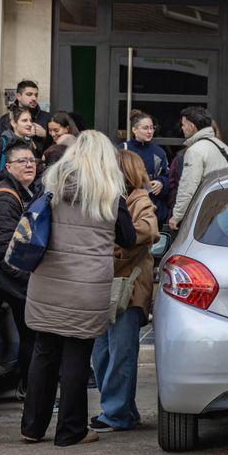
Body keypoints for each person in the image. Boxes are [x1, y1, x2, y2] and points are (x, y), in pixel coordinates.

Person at [21, 131, 137, 447]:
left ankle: (32, 427)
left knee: (44, 351)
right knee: (76, 355)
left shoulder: (51, 186)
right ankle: (70, 430)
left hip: (47, 280)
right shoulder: (110, 193)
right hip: (88, 285)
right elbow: (128, 238)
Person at [90, 150, 159, 433]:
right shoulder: (109, 200)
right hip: (107, 285)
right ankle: (123, 410)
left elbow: (148, 231)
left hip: (127, 287)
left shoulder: (139, 200)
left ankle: (116, 413)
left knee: (120, 353)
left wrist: (112, 251)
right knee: (103, 352)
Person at [0, 140, 40, 400]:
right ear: (8, 166)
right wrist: (28, 278)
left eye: (32, 160)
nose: (29, 164)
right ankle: (29, 390)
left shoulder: (24, 192)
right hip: (15, 282)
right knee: (32, 338)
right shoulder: (6, 197)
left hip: (22, 279)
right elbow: (2, 251)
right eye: (22, 161)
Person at [167, 107, 228, 232]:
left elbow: (188, 187)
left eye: (183, 124)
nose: (182, 128)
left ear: (191, 126)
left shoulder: (195, 151)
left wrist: (177, 216)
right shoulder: (222, 147)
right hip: (223, 212)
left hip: (204, 214)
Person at [119, 111, 171, 225]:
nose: (150, 131)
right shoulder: (123, 150)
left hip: (153, 211)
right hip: (127, 210)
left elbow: (167, 177)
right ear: (134, 130)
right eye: (145, 128)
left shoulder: (159, 152)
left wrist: (161, 183)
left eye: (152, 128)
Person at [0, 80, 51, 149]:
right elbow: (0, 146)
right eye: (29, 94)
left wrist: (46, 135)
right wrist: (21, 135)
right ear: (18, 96)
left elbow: (58, 146)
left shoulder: (47, 117)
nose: (34, 98)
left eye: (36, 95)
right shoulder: (6, 119)